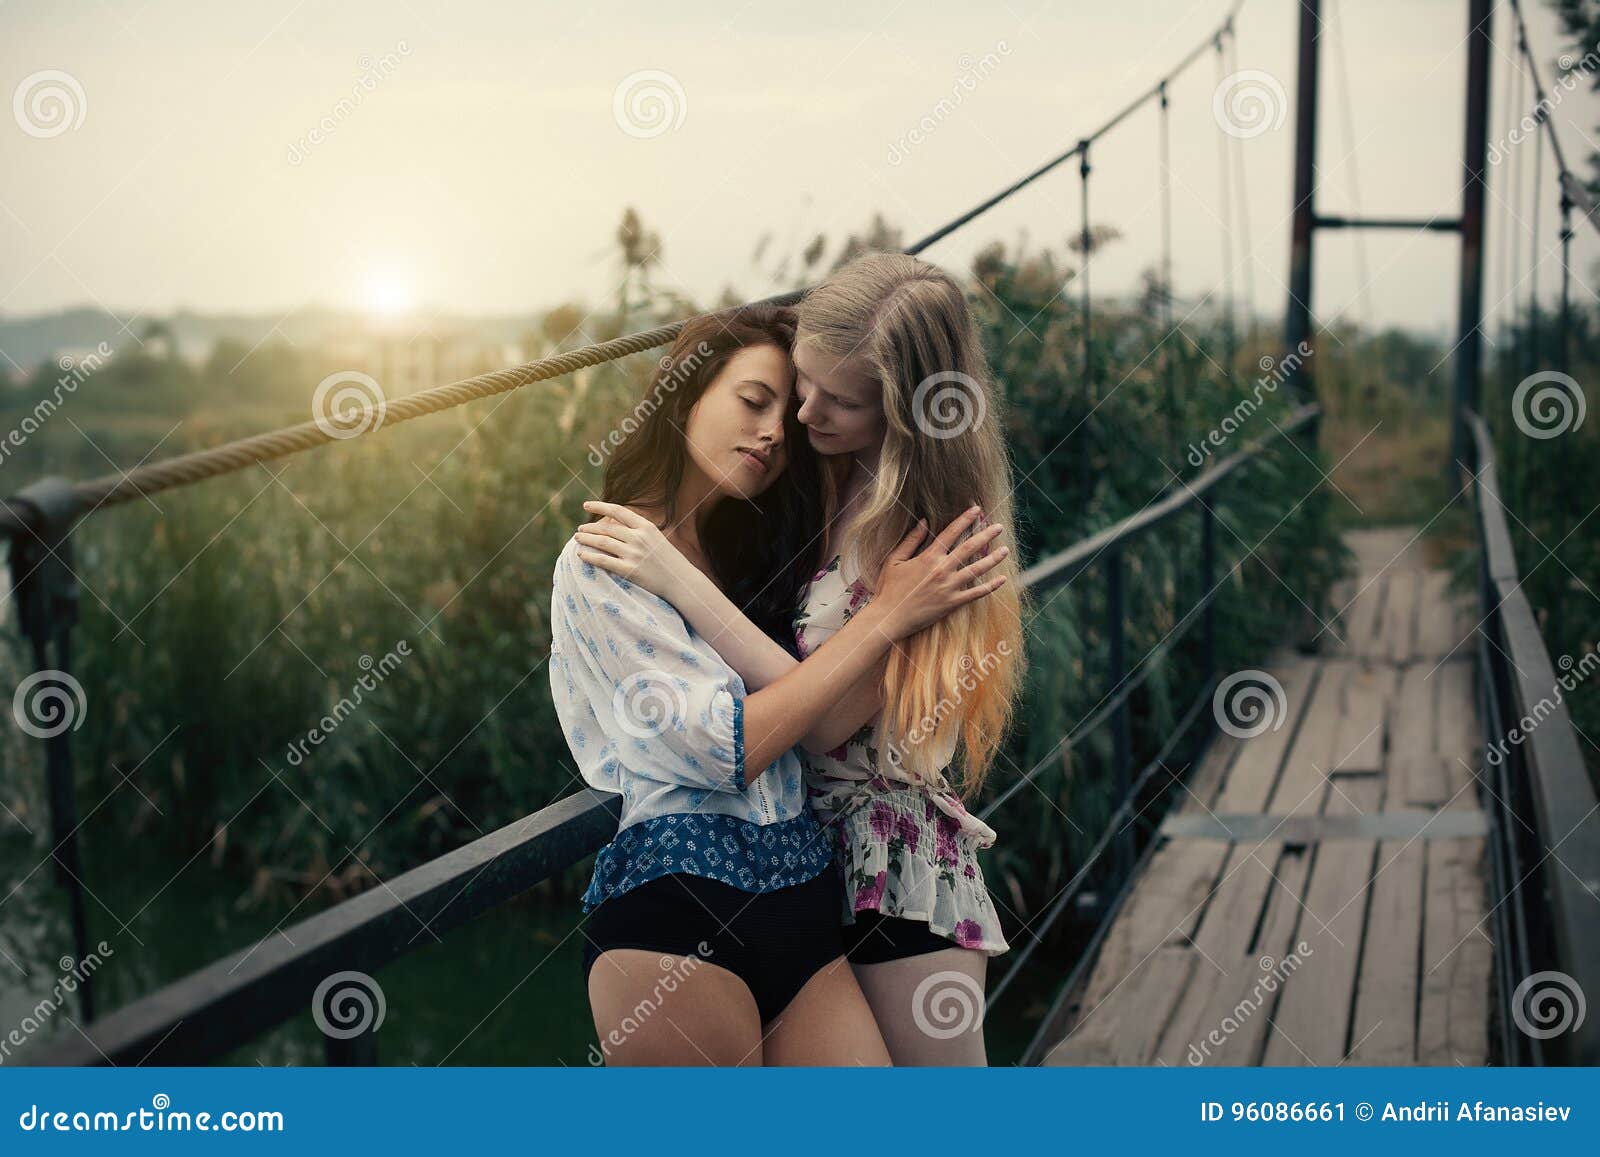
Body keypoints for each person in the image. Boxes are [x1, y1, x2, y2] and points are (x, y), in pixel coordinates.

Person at [574, 253, 1026, 1065]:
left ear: (900, 409)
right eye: (783, 390)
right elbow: (742, 732)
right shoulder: (784, 494)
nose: (797, 419)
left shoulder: (905, 524)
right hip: (756, 874)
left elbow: (824, 723)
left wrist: (677, 574)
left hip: (874, 869)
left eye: (838, 400)